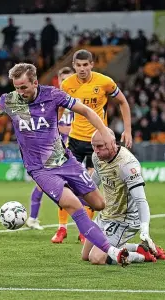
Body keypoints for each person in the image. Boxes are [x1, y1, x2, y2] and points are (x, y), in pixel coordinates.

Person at [0, 63, 130, 266]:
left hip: (65, 161)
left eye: (24, 87)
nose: (20, 92)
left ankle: (99, 231)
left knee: (99, 204)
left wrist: (105, 132)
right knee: (73, 205)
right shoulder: (9, 100)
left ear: (35, 82)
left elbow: (86, 111)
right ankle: (112, 251)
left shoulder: (53, 95)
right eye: (17, 87)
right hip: (40, 170)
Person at [52, 49, 133, 244]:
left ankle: (85, 230)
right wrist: (53, 133)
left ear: (91, 65)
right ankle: (62, 228)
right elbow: (60, 109)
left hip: (98, 142)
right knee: (64, 184)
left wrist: (128, 130)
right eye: (78, 65)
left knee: (89, 186)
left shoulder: (104, 82)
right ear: (74, 66)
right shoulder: (67, 85)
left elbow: (123, 101)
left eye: (85, 65)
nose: (81, 69)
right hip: (75, 140)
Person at [82, 128, 165, 265]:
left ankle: (141, 257)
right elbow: (96, 180)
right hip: (107, 214)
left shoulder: (127, 164)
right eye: (93, 146)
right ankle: (139, 248)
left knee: (96, 258)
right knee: (85, 255)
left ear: (112, 143)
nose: (96, 150)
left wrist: (144, 230)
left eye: (99, 146)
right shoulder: (97, 157)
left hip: (124, 219)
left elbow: (140, 200)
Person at [26, 67, 74, 231]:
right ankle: (33, 218)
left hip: (72, 148)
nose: (66, 83)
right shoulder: (51, 99)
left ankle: (68, 226)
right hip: (52, 148)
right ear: (59, 81)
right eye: (63, 80)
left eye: (69, 79)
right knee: (43, 184)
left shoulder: (75, 102)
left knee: (75, 187)